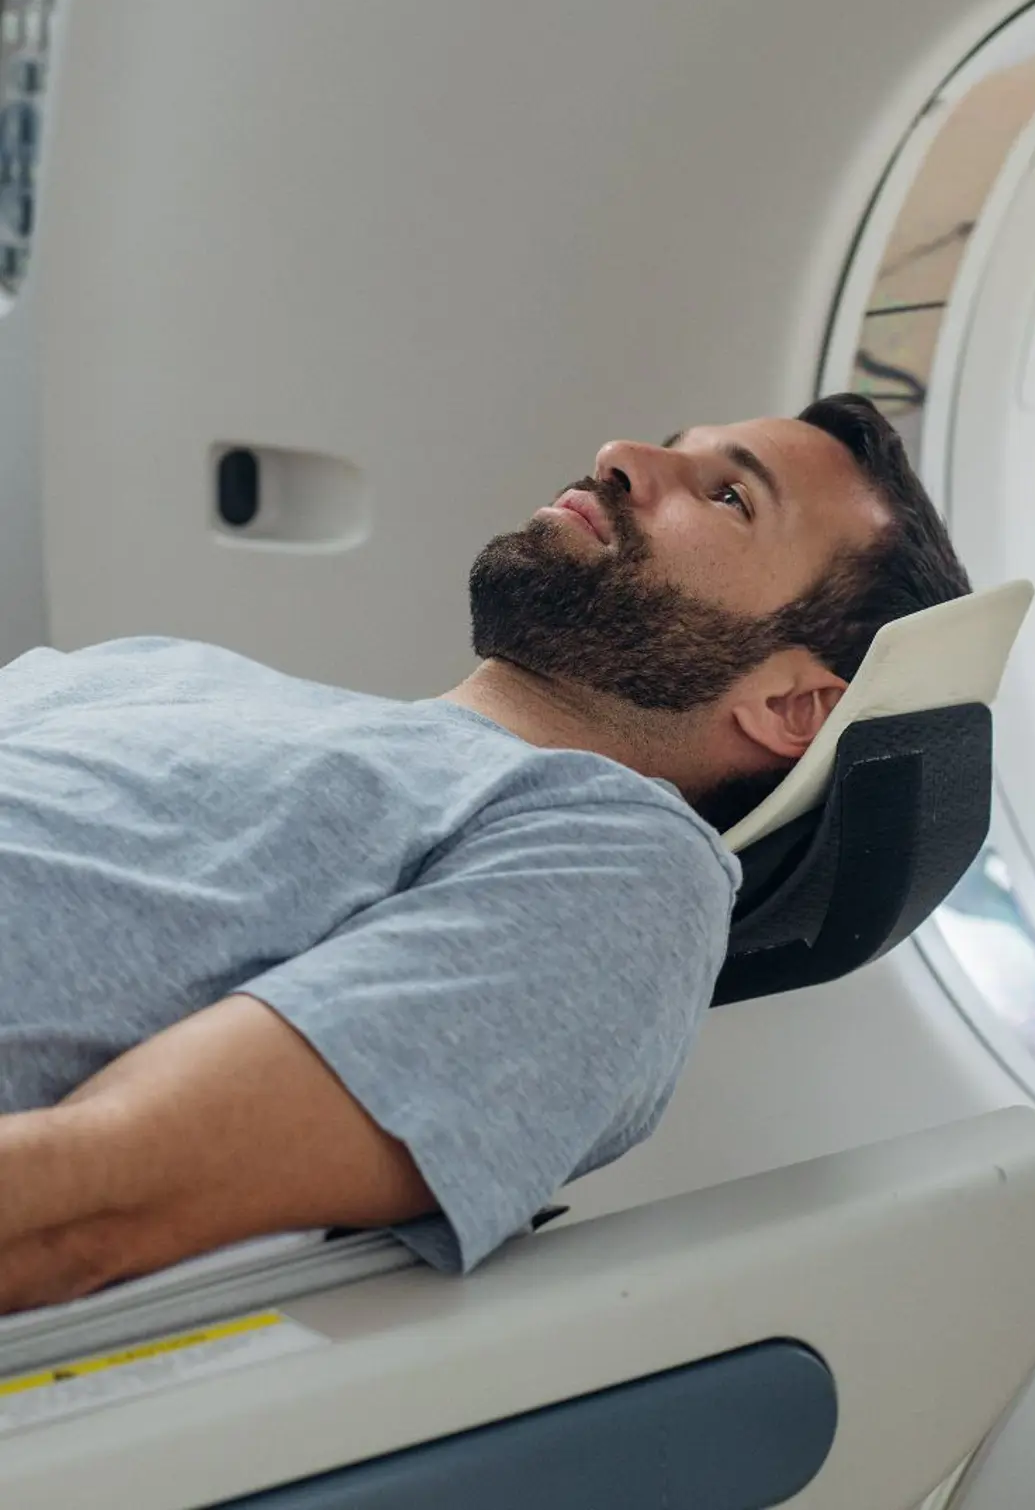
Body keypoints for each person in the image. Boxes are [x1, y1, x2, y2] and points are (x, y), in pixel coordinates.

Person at [0, 394, 969, 1313]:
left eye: (730, 495)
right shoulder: (157, 668)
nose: (623, 457)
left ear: (793, 704)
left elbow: (94, 1202)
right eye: (678, 445)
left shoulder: (620, 863)